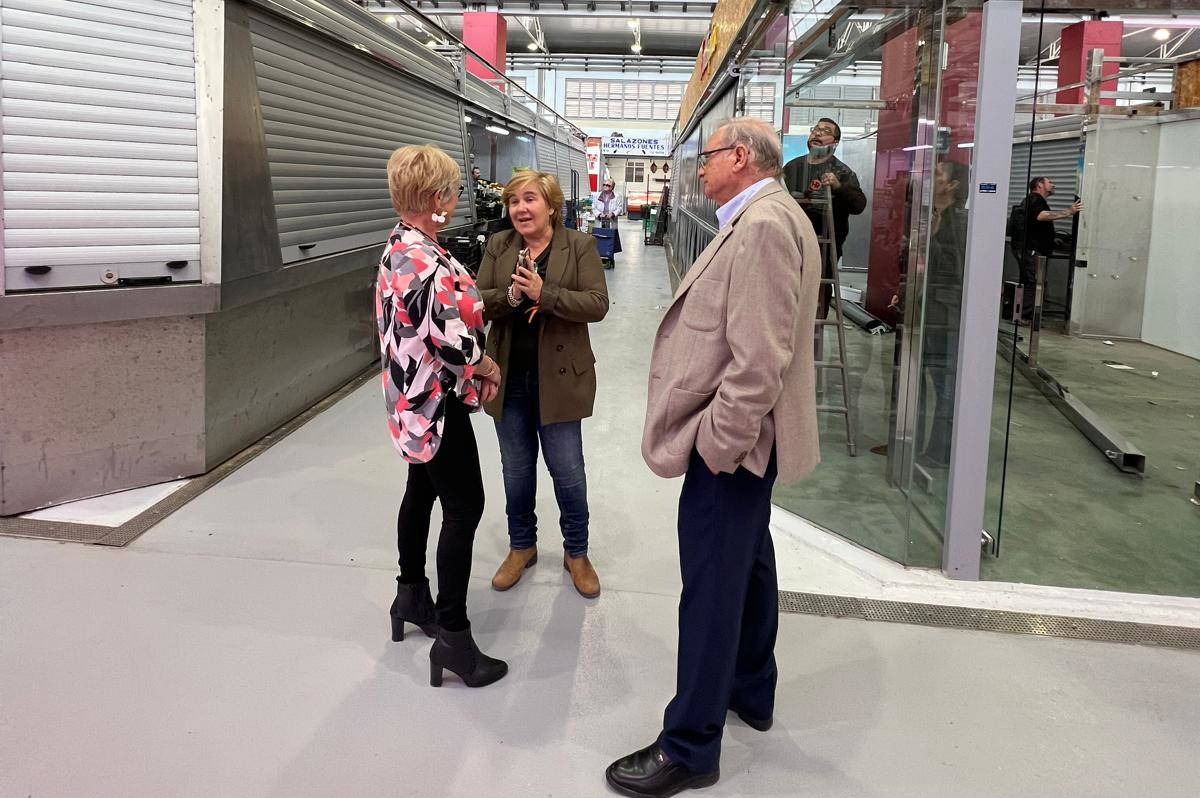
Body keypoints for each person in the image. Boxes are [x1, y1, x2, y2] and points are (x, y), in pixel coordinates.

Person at [606, 117, 821, 798]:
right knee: (748, 562)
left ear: (741, 157)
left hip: (736, 444)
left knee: (711, 587)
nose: (699, 169)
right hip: (751, 443)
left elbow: (759, 362)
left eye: (708, 157)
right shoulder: (772, 215)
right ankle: (751, 688)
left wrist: (719, 445)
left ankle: (691, 745)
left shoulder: (762, 227)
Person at [377, 144, 507, 689]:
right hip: (437, 404)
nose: (455, 200)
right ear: (435, 197)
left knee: (421, 491)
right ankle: (453, 636)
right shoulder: (424, 260)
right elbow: (449, 340)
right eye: (452, 191)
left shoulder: (399, 246)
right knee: (465, 506)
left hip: (410, 400)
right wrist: (487, 364)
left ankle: (410, 595)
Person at [475, 171, 610, 599]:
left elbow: (597, 304)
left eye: (529, 199)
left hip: (561, 379)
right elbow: (477, 301)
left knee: (568, 472)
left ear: (551, 206)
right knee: (516, 470)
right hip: (509, 376)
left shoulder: (579, 246)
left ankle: (577, 552)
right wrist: (512, 298)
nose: (520, 208)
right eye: (513, 201)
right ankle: (522, 546)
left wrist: (543, 293)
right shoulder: (499, 245)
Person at [782, 117, 867, 315]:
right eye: (816, 129)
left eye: (826, 131)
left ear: (835, 143)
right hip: (791, 239)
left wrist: (839, 187)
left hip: (824, 245)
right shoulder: (792, 167)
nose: (818, 133)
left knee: (817, 293)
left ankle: (814, 330)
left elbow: (859, 205)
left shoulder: (842, 172)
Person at [919, 159, 971, 467]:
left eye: (937, 174)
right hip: (931, 310)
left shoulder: (959, 224)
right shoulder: (933, 217)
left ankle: (942, 453)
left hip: (946, 314)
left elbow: (955, 271)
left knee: (946, 385)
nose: (930, 177)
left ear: (952, 186)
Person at [1013, 176, 1082, 322]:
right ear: (1039, 185)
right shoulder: (1035, 199)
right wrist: (1068, 212)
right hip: (1031, 249)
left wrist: (1052, 239)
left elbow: (1034, 224)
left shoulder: (1034, 200)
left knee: (1032, 281)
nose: (1053, 185)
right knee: (1033, 281)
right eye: (1049, 182)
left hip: (1030, 248)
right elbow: (1041, 216)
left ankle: (1026, 314)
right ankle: (1025, 316)